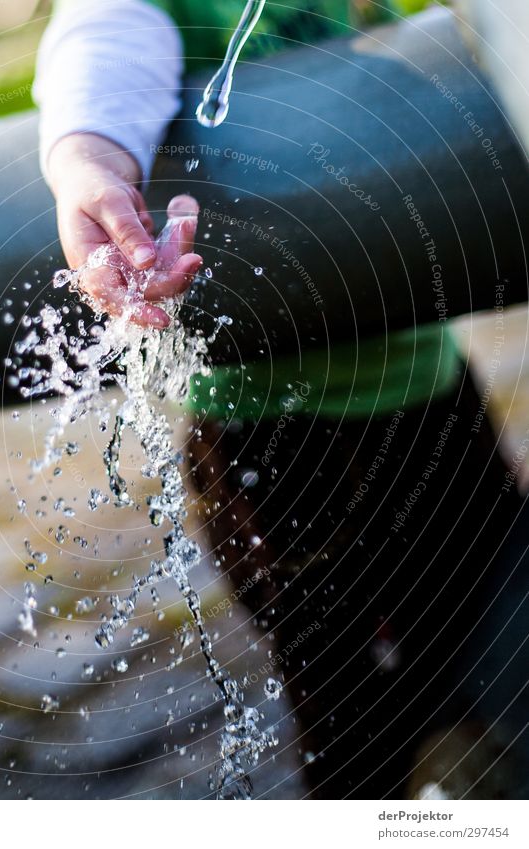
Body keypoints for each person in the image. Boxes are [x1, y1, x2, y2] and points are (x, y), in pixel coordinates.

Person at [34, 0, 523, 797]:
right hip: (264, 431)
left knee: (490, 632)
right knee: (339, 695)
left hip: (427, 388)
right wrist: (89, 165)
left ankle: (468, 768)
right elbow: (102, 40)